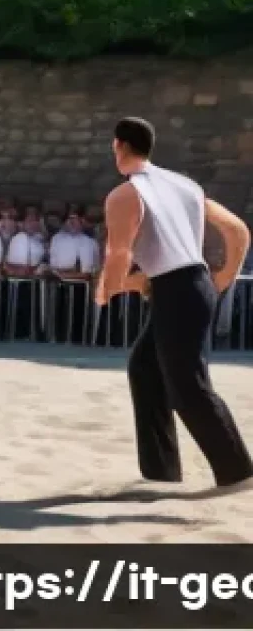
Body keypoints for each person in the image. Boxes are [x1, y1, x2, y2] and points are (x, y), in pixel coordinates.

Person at [96, 116, 253, 490]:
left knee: (188, 387)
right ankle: (161, 473)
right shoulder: (184, 185)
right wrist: (223, 277)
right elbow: (237, 230)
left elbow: (118, 251)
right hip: (191, 284)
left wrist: (109, 289)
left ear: (119, 146)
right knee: (145, 367)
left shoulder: (125, 194)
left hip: (177, 289)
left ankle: (240, 473)